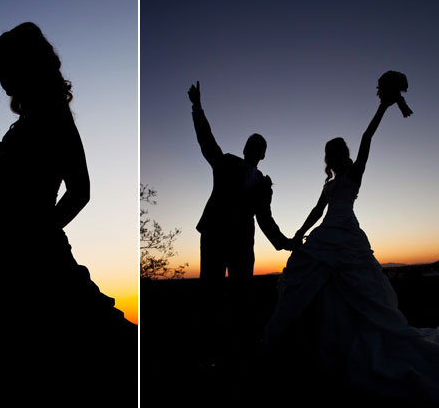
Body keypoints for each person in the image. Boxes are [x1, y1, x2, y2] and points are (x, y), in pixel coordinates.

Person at [264, 80, 439, 402]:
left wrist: (384, 106)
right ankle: (312, 337)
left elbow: (367, 137)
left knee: (358, 285)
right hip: (326, 232)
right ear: (331, 157)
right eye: (334, 152)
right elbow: (317, 211)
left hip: (347, 233)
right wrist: (297, 235)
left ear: (344, 154)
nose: (338, 155)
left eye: (340, 151)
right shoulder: (329, 185)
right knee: (306, 271)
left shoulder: (355, 174)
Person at [0, 22, 137, 402]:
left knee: (83, 341)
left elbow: (81, 191)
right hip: (3, 249)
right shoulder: (28, 119)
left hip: (37, 251)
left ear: (24, 65)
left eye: (2, 64)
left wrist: (38, 232)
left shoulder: (53, 115)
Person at [188, 81, 293, 364]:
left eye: (259, 146)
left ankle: (240, 350)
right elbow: (206, 140)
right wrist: (197, 107)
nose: (253, 147)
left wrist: (284, 242)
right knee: (210, 291)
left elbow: (265, 218)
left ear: (262, 153)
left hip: (243, 244)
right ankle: (206, 350)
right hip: (215, 236)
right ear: (245, 147)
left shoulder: (262, 183)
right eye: (251, 143)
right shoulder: (226, 163)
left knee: (241, 295)